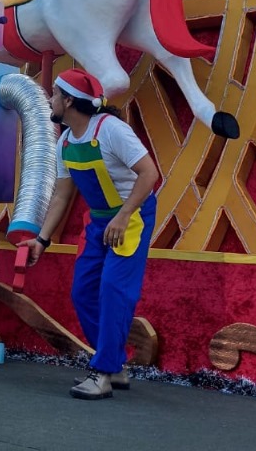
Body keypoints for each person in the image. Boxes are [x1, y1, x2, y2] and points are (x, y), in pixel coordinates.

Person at [19, 69, 160, 400]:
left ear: (69, 101)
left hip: (132, 218)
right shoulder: (65, 142)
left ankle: (102, 373)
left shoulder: (111, 130)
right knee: (83, 293)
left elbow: (149, 173)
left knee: (113, 290)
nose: (50, 99)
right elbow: (61, 196)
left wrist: (124, 216)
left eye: (55, 94)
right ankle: (114, 364)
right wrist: (42, 240)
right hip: (97, 223)